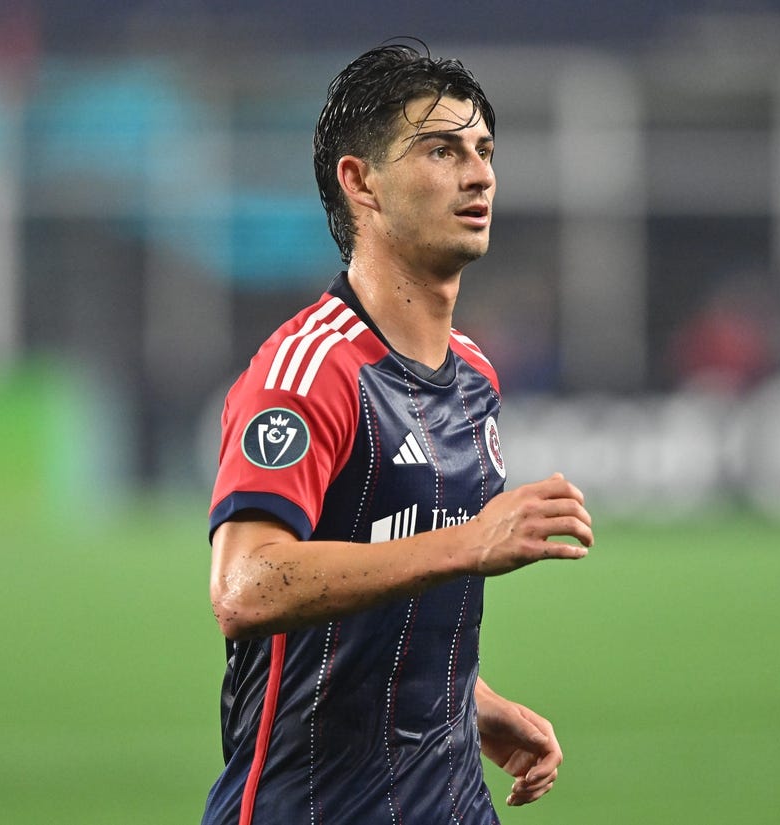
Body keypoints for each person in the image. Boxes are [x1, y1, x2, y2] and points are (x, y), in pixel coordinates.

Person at [201, 41, 594, 825]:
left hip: (450, 804)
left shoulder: (475, 374)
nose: (478, 173)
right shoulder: (308, 369)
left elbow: (385, 597)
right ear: (361, 182)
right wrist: (472, 543)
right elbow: (244, 586)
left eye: (483, 150)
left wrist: (471, 702)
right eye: (441, 150)